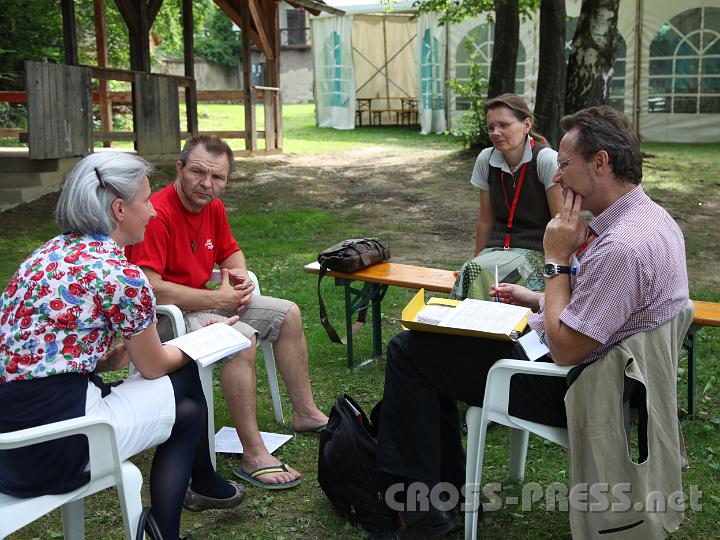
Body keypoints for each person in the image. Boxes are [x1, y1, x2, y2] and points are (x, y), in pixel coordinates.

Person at [375, 106, 689, 538]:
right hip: (608, 375)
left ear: (600, 162)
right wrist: (537, 299)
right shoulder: (652, 220)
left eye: (564, 165)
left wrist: (556, 259)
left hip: (575, 386)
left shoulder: (623, 247)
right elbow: (607, 305)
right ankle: (442, 497)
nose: (557, 178)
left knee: (409, 354)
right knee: (427, 348)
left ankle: (425, 512)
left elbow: (565, 348)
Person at [0, 153, 245, 540]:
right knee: (188, 399)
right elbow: (154, 366)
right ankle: (169, 523)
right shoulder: (121, 275)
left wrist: (103, 358)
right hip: (59, 446)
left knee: (185, 401)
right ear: (119, 209)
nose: (152, 212)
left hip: (11, 437)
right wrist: (201, 341)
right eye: (146, 201)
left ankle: (194, 495)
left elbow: (35, 352)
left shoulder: (44, 256)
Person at [126, 135, 328, 489]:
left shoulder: (212, 207)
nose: (207, 184)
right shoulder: (157, 214)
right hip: (164, 318)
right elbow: (150, 287)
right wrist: (217, 301)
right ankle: (253, 454)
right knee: (240, 339)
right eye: (198, 172)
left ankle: (305, 413)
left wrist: (238, 282)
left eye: (217, 177)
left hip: (203, 303)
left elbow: (231, 253)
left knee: (289, 314)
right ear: (180, 168)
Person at [451, 94, 564, 300]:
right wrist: (477, 259)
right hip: (496, 250)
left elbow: (560, 220)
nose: (496, 133)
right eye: (491, 127)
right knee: (475, 271)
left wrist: (559, 271)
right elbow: (485, 219)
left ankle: (476, 330)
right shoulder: (486, 159)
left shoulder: (545, 159)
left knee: (479, 274)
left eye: (503, 125)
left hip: (537, 252)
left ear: (526, 124)